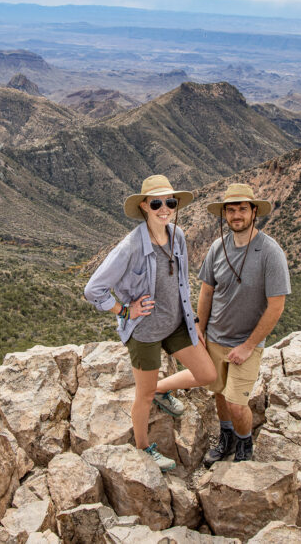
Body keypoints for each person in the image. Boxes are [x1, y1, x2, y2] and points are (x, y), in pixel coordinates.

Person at [84, 175, 217, 472]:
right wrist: (123, 311)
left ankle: (161, 389)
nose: (164, 208)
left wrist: (193, 318)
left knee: (207, 373)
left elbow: (182, 280)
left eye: (169, 202)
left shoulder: (177, 235)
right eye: (156, 203)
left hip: (175, 323)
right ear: (144, 206)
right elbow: (93, 289)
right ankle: (143, 447)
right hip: (145, 332)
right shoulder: (130, 247)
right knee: (141, 396)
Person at [197, 183, 290, 465]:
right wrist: (199, 329)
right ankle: (226, 438)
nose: (236, 215)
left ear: (253, 212)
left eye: (242, 209)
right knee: (220, 395)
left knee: (237, 403)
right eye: (231, 209)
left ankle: (245, 443)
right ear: (225, 214)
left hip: (245, 344)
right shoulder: (217, 247)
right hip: (214, 337)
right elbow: (206, 290)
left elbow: (276, 306)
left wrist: (249, 346)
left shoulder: (270, 252)